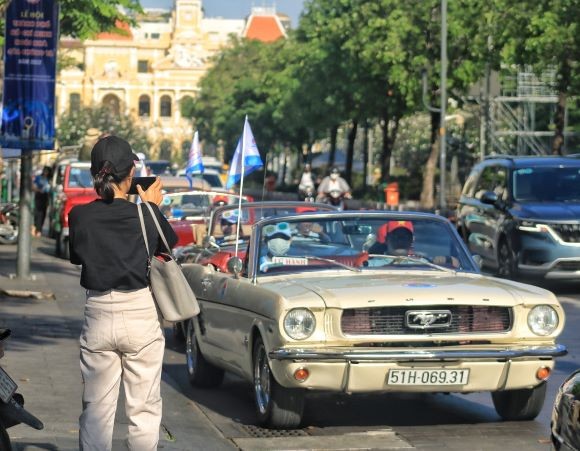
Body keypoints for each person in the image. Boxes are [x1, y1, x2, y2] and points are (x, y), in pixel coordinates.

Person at [68, 135, 178, 451]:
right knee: (143, 409)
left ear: (95, 174)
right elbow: (168, 246)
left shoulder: (79, 216)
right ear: (131, 174)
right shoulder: (147, 215)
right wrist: (152, 207)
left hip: (98, 312)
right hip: (139, 312)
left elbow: (77, 256)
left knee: (96, 410)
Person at [367, 220, 459, 267]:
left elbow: (458, 265)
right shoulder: (371, 264)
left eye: (405, 237)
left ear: (412, 240)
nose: (400, 240)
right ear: (387, 239)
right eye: (396, 236)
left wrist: (444, 260)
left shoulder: (422, 263)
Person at [32, 165, 52, 237]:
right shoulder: (38, 177)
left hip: (45, 197)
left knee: (43, 213)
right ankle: (36, 229)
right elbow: (33, 186)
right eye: (45, 171)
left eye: (47, 171)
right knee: (37, 213)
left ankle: (39, 230)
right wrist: (38, 190)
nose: (45, 172)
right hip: (38, 196)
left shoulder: (49, 179)